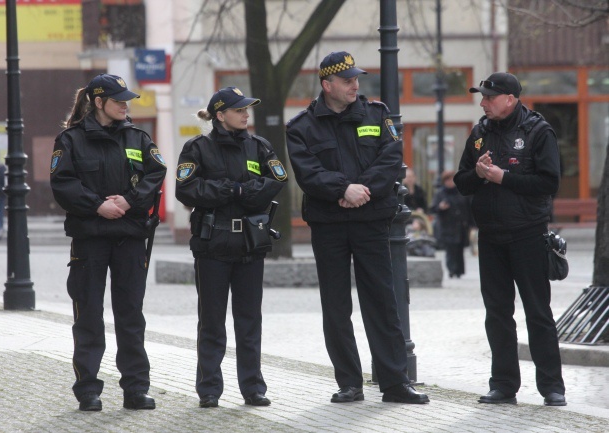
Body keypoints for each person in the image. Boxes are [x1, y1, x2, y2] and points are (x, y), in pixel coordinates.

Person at [286, 51, 429, 405]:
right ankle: (349, 383)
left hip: (370, 221)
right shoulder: (301, 126)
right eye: (347, 80)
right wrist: (342, 190)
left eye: (356, 79)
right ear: (327, 85)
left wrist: (361, 190)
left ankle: (395, 383)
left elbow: (391, 158)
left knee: (381, 301)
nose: (355, 85)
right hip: (329, 224)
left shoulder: (377, 114)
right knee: (336, 306)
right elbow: (309, 173)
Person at [50, 73, 167, 411]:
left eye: (127, 101)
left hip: (130, 238)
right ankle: (88, 389)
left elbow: (155, 174)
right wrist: (97, 206)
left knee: (131, 314)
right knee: (87, 314)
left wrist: (130, 201)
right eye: (119, 101)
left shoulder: (138, 137)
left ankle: (135, 389)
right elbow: (63, 183)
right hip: (90, 239)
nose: (125, 106)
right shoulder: (71, 140)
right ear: (99, 102)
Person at [454, 72, 566, 406]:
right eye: (482, 97)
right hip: (490, 236)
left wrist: (503, 177)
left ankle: (552, 387)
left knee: (538, 312)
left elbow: (548, 183)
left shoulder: (537, 131)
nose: (483, 102)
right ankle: (503, 384)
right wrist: (477, 173)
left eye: (489, 97)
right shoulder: (479, 133)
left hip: (528, 234)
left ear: (510, 99)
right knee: (497, 313)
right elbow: (461, 182)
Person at [175, 87, 287, 409]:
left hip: (251, 244)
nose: (245, 114)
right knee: (211, 321)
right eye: (239, 110)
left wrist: (243, 192)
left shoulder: (260, 146)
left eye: (247, 109)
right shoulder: (197, 148)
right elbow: (187, 189)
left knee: (249, 320)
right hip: (213, 245)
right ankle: (209, 389)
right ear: (220, 115)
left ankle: (253, 388)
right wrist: (232, 190)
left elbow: (276, 180)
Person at [429, 170, 471, 278]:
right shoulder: (440, 193)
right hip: (447, 226)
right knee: (450, 249)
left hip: (461, 226)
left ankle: (459, 271)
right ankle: (451, 270)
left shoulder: (461, 191)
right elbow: (433, 208)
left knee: (459, 249)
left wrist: (471, 224)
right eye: (448, 180)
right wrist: (441, 207)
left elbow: (468, 208)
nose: (450, 182)